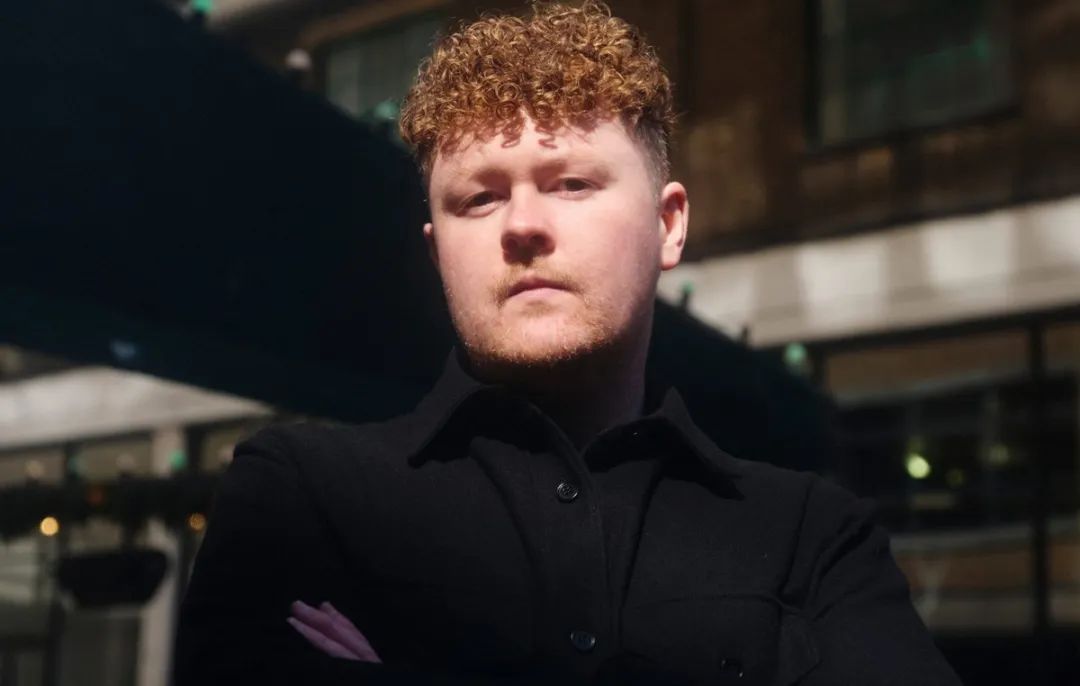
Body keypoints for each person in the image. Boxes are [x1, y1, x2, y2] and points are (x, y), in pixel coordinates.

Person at [174, 2, 962, 684]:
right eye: (478, 199)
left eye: (572, 184)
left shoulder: (809, 535)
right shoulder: (302, 497)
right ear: (437, 249)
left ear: (668, 226)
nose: (522, 225)